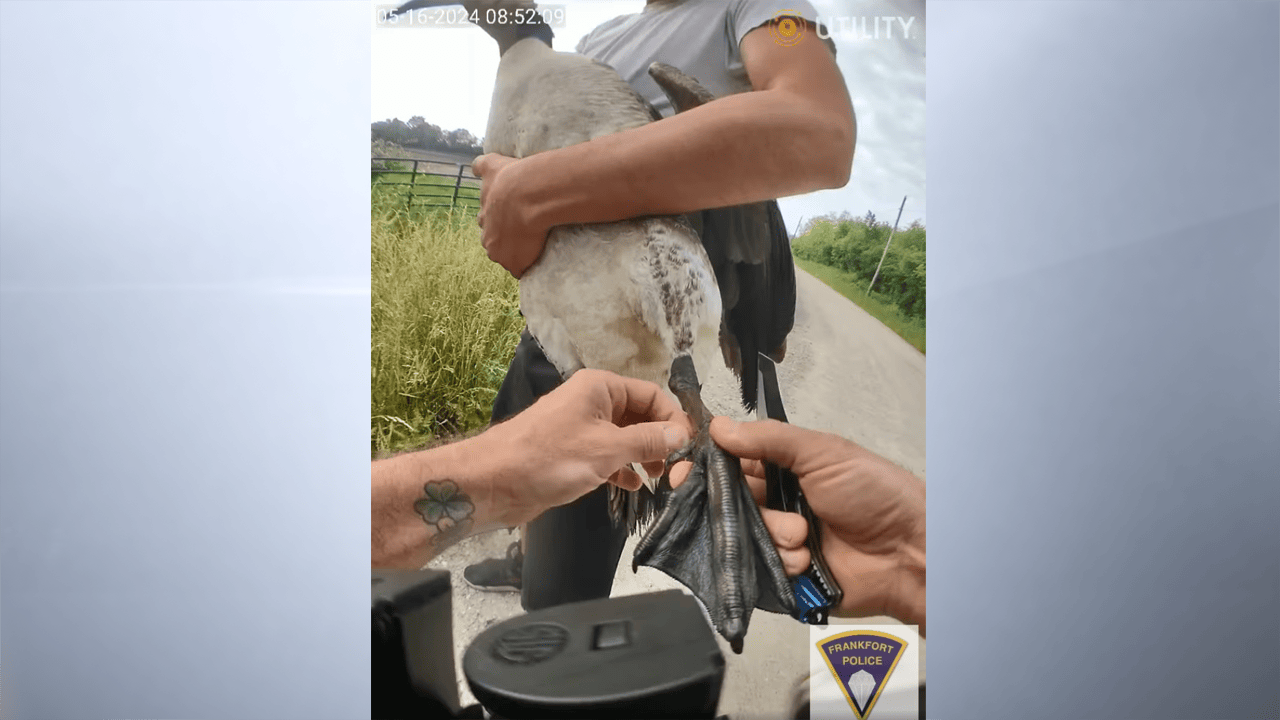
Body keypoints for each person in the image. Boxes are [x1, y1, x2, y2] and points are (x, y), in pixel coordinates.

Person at [463, 0, 856, 610]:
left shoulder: (754, 8)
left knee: (564, 585)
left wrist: (532, 190)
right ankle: (527, 554)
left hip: (649, 326)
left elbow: (820, 132)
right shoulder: (599, 37)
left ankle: (558, 628)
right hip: (560, 314)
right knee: (527, 467)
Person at [372, 369, 926, 634]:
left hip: (637, 365)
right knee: (539, 457)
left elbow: (818, 145)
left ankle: (554, 653)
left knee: (584, 535)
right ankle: (526, 561)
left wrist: (529, 188)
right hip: (549, 347)